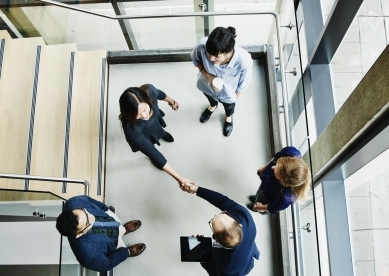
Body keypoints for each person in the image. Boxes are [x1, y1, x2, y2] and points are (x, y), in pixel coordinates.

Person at [119, 84, 193, 187]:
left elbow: (160, 94)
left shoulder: (149, 91)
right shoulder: (131, 130)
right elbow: (154, 153)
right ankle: (157, 139)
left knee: (158, 128)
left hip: (155, 122)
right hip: (143, 133)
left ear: (147, 100)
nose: (144, 116)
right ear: (129, 114)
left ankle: (162, 134)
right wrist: (179, 179)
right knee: (150, 148)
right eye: (138, 114)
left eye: (145, 109)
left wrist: (172, 102)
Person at [182, 183, 259, 276]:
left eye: (213, 222)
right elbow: (222, 201)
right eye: (222, 213)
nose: (215, 214)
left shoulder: (227, 269)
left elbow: (214, 272)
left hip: (239, 270)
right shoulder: (244, 215)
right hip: (248, 252)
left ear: (217, 240)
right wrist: (197, 190)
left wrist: (201, 255)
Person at [56, 195, 146, 272]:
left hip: (108, 219)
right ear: (79, 234)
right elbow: (107, 264)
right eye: (88, 222)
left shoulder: (73, 203)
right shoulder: (87, 257)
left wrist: (106, 210)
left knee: (117, 225)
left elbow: (88, 200)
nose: (91, 216)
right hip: (114, 242)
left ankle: (123, 229)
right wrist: (125, 252)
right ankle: (128, 251)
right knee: (122, 249)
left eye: (84, 212)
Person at [191, 26, 253, 137]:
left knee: (229, 107)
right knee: (210, 98)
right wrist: (208, 77)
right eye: (209, 54)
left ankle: (228, 118)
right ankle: (212, 106)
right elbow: (196, 60)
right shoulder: (202, 45)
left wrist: (235, 98)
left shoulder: (244, 61)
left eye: (216, 56)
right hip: (206, 84)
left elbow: (244, 83)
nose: (210, 59)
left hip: (228, 94)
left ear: (228, 52)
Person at [247, 146, 311, 214]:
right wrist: (264, 168)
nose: (272, 167)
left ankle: (255, 205)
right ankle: (257, 198)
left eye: (276, 174)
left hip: (268, 199)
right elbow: (275, 158)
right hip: (266, 184)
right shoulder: (291, 152)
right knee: (260, 191)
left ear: (283, 183)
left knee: (261, 199)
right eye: (277, 164)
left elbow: (273, 207)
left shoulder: (286, 198)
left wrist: (260, 208)